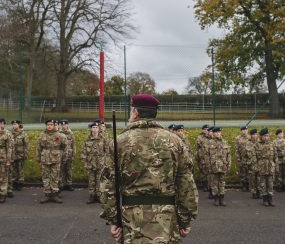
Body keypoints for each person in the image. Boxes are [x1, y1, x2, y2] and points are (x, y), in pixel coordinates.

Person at [100, 94, 198, 243]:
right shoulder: (175, 141)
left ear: (135, 112)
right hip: (166, 218)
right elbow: (186, 182)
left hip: (131, 218)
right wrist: (185, 218)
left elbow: (108, 184)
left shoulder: (119, 142)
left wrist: (113, 219)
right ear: (154, 113)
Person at [36, 119, 67, 203]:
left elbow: (65, 148)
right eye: (48, 125)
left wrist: (64, 158)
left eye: (51, 125)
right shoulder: (42, 135)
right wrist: (38, 159)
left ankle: (55, 195)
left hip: (56, 159)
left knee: (55, 177)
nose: (49, 126)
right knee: (45, 177)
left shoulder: (60, 136)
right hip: (45, 159)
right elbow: (38, 148)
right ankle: (47, 194)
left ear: (54, 126)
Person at [81, 121, 110, 204]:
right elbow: (83, 152)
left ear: (99, 129)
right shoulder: (87, 139)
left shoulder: (103, 138)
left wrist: (106, 163)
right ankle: (92, 196)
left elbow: (107, 151)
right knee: (91, 180)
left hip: (100, 163)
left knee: (99, 180)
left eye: (96, 127)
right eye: (93, 127)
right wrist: (85, 162)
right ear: (91, 129)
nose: (95, 129)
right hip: (90, 163)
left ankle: (99, 196)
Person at [208, 126, 231, 206]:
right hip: (214, 166)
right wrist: (209, 166)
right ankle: (216, 199)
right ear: (213, 133)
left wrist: (228, 164)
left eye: (219, 132)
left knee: (222, 183)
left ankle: (222, 198)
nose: (218, 134)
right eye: (216, 132)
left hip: (223, 166)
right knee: (214, 183)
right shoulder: (210, 143)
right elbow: (207, 156)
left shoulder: (224, 142)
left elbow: (228, 155)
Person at [256, 128, 278, 207]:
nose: (266, 137)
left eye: (268, 136)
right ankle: (265, 199)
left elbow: (275, 157)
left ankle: (270, 199)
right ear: (261, 136)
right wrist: (256, 167)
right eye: (265, 136)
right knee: (263, 184)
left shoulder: (272, 144)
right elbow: (254, 157)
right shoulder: (257, 145)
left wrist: (276, 167)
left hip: (270, 166)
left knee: (270, 184)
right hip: (262, 166)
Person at [11, 120, 29, 191]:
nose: (14, 125)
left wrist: (26, 154)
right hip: (12, 154)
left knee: (20, 169)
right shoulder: (10, 134)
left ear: (19, 125)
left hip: (20, 154)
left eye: (15, 124)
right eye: (13, 124)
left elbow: (26, 145)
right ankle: (14, 183)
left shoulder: (23, 134)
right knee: (13, 169)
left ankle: (20, 183)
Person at [59, 120, 76, 191]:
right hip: (61, 154)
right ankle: (62, 184)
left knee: (68, 170)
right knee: (61, 170)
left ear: (67, 125)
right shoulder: (58, 133)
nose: (64, 126)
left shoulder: (71, 134)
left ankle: (69, 184)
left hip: (69, 154)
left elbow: (74, 145)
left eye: (65, 125)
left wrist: (73, 154)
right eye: (62, 125)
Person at [242, 129, 259, 199]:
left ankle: (259, 192)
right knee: (252, 179)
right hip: (251, 165)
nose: (255, 136)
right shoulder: (247, 144)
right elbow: (244, 155)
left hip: (260, 165)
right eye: (253, 134)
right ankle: (254, 192)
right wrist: (246, 164)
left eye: (256, 134)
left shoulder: (259, 143)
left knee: (259, 179)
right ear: (251, 135)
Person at [0, 118, 13, 203]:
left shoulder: (7, 134)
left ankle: (2, 194)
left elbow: (9, 148)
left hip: (3, 158)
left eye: (1, 123)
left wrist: (8, 160)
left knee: (3, 177)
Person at [195, 124, 210, 191]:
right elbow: (197, 148)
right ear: (203, 130)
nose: (206, 131)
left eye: (208, 129)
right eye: (205, 129)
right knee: (203, 172)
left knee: (210, 172)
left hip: (210, 158)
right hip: (202, 157)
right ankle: (204, 185)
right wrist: (198, 157)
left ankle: (209, 185)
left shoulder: (211, 137)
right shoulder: (200, 137)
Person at [235, 126, 249, 191]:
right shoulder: (238, 138)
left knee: (249, 172)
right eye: (243, 130)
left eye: (246, 130)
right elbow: (236, 149)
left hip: (249, 158)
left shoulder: (250, 137)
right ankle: (244, 185)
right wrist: (238, 158)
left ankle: (249, 185)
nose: (245, 131)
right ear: (241, 131)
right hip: (241, 157)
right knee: (242, 172)